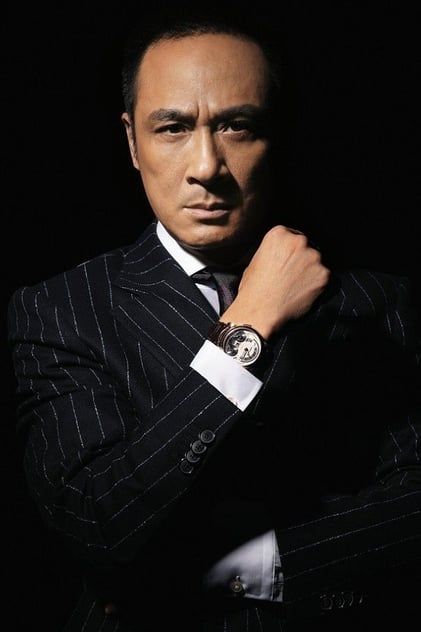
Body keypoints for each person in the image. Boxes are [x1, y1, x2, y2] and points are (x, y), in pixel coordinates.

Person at [7, 8, 421, 632]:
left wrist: (243, 565)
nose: (206, 166)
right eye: (173, 128)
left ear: (276, 134)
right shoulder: (61, 308)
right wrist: (250, 321)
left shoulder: (380, 302)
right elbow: (97, 524)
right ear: (132, 142)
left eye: (236, 126)